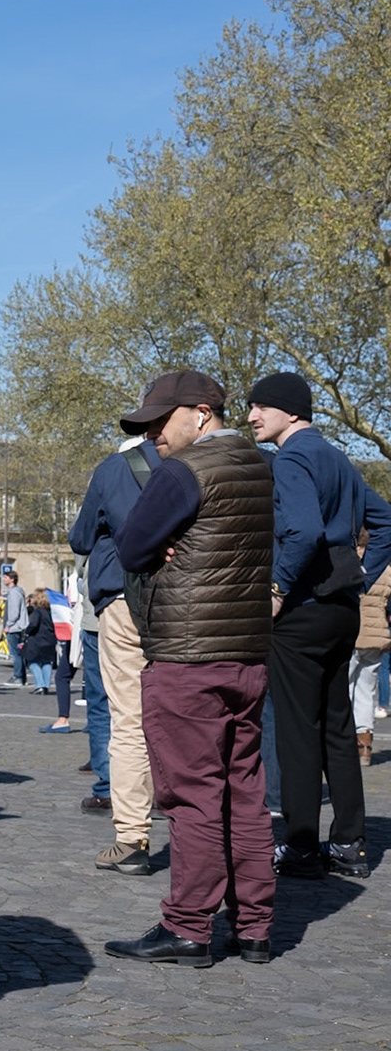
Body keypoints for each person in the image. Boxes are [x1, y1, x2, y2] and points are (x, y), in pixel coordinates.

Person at [106, 370, 275, 966]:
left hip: (187, 655)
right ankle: (254, 926)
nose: (152, 435)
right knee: (245, 792)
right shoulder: (258, 465)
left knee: (193, 797)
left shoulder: (184, 472)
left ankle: (188, 928)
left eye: (159, 421)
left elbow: (130, 546)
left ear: (201, 413)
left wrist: (163, 538)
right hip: (247, 654)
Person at [246, 371, 391, 879]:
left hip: (302, 610)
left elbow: (303, 529)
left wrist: (277, 588)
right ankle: (350, 843)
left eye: (260, 406)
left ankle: (303, 846)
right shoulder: (339, 459)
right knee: (337, 724)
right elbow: (386, 519)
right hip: (340, 609)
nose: (250, 416)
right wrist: (360, 579)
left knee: (296, 730)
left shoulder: (292, 457)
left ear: (292, 412)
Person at [70, 432, 160, 866]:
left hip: (126, 599)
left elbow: (82, 537)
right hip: (196, 604)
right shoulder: (222, 463)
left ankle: (132, 838)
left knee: (128, 718)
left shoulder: (116, 469)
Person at [351, 547, 390, 765]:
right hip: (376, 637)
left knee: (345, 689)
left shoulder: (353, 565)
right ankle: (365, 745)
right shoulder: (385, 569)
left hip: (354, 634)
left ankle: (345, 742)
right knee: (367, 692)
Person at [1, 570, 27, 684]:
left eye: (6, 577)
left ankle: (18, 676)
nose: (3, 579)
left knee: (16, 654)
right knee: (19, 653)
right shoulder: (16, 592)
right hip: (19, 626)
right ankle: (22, 677)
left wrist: (8, 625)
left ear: (12, 579)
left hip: (15, 627)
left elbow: (14, 612)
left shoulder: (14, 593)